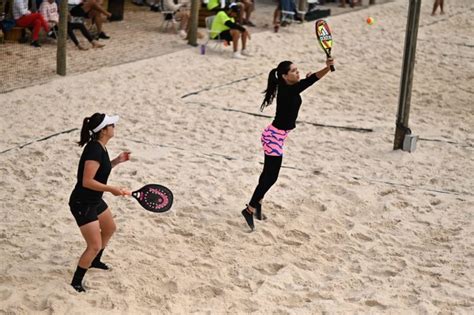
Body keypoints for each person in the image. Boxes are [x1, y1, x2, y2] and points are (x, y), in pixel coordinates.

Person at [241, 58, 335, 231]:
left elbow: (308, 81)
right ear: (284, 76)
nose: (297, 72)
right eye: (293, 71)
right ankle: (249, 209)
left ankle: (257, 205)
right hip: (273, 138)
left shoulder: (290, 88)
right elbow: (312, 80)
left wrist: (318, 72)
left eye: (297, 70)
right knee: (271, 177)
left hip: (276, 136)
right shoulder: (288, 90)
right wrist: (327, 68)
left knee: (267, 175)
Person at [69, 113, 131, 292]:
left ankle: (95, 261)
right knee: (94, 245)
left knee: (110, 228)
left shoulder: (101, 147)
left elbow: (100, 169)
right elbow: (87, 181)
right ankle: (76, 282)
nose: (114, 126)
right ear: (103, 130)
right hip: (82, 203)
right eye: (111, 124)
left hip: (94, 199)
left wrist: (117, 161)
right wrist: (111, 189)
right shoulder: (94, 149)